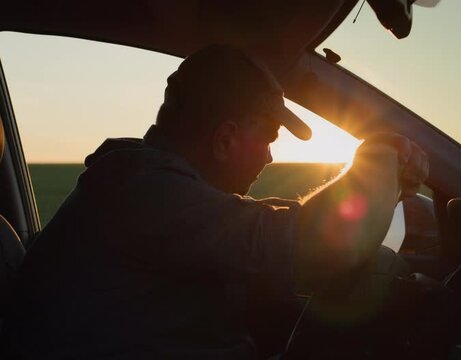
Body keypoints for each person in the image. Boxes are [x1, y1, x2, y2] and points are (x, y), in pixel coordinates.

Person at [4, 45, 428, 359]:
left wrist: (384, 185)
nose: (268, 156)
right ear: (224, 139)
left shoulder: (146, 186)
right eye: (266, 138)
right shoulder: (148, 193)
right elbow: (322, 246)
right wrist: (375, 159)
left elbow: (280, 221)